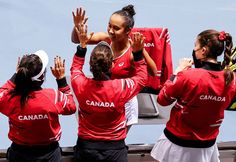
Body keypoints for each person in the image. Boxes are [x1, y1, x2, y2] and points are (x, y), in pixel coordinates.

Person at [150, 29, 235, 162]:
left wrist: (177, 72)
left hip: (178, 144)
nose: (194, 50)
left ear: (204, 50)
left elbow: (162, 99)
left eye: (196, 46)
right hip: (207, 145)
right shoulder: (232, 79)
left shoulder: (188, 76)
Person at [71, 4, 157, 129]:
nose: (110, 31)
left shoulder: (131, 54)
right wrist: (77, 27)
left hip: (125, 103)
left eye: (116, 28)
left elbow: (153, 72)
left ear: (128, 31)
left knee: (116, 137)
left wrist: (140, 51)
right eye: (109, 25)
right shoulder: (106, 39)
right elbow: (77, 40)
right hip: (104, 97)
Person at [71, 24, 148, 162]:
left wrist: (82, 46)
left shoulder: (80, 84)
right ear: (112, 65)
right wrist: (137, 53)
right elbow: (142, 78)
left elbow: (75, 68)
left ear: (90, 64)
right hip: (115, 151)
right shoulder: (122, 87)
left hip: (86, 149)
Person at [0, 51, 76, 162]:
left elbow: (2, 93)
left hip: (19, 154)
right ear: (42, 77)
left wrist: (15, 76)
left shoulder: (10, 99)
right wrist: (61, 80)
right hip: (49, 155)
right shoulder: (54, 97)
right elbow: (71, 107)